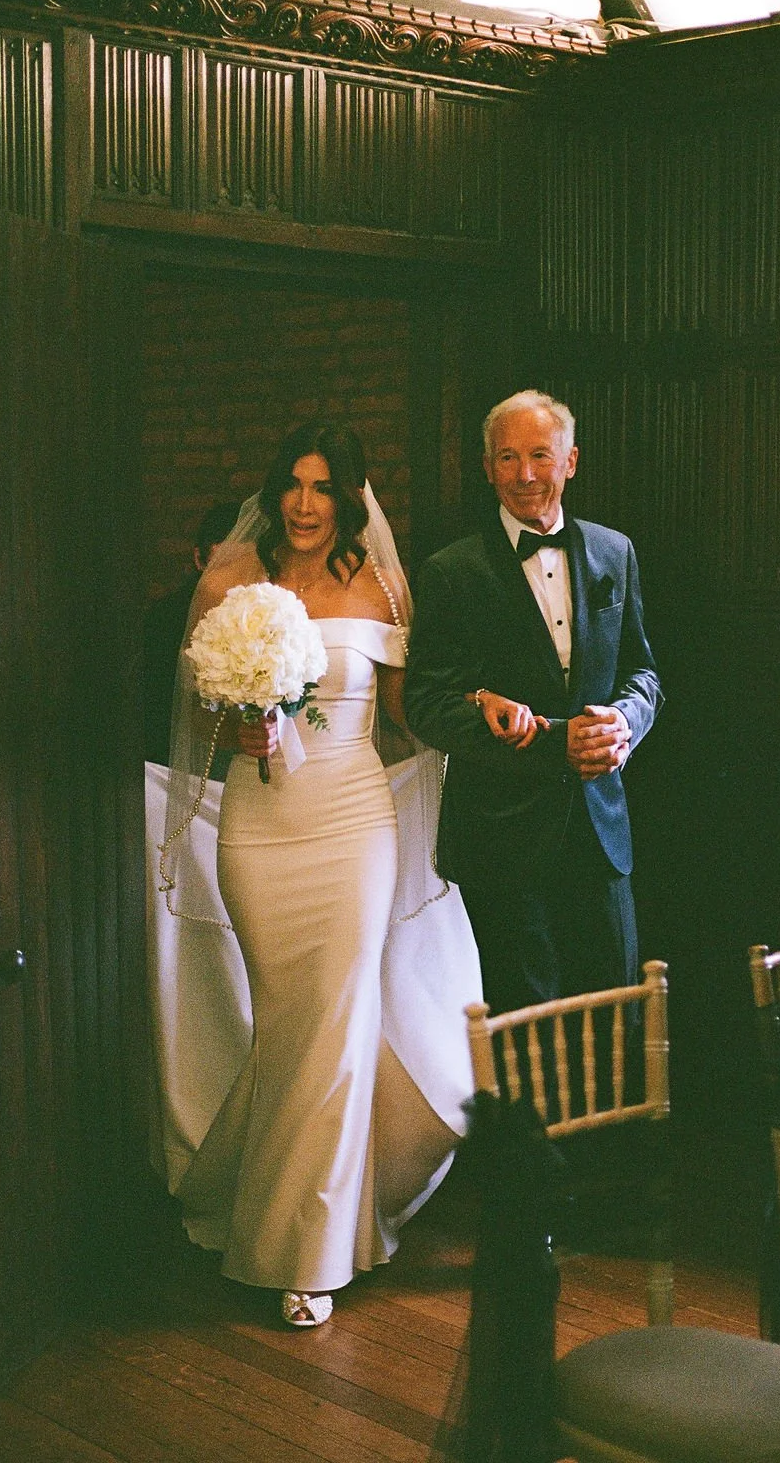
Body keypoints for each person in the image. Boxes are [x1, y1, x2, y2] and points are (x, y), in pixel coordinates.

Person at [152, 422, 482, 1330]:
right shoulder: (230, 580)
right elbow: (194, 715)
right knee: (289, 1024)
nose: (304, 503)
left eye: (323, 486)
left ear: (349, 498)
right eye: (292, 485)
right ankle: (252, 1196)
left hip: (352, 821)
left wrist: (488, 714)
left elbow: (411, 720)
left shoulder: (379, 583)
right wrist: (241, 726)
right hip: (260, 826)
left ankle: (310, 1256)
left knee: (338, 1023)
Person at [404, 388, 662, 1020]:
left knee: (615, 1010)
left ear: (570, 461)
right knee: (526, 1026)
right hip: (502, 835)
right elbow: (426, 700)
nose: (525, 475)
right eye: (508, 458)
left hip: (599, 829)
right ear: (487, 467)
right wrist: (533, 734)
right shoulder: (449, 571)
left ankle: (617, 1126)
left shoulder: (614, 552)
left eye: (541, 455)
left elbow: (642, 672)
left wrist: (624, 720)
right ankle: (526, 1126)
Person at [143, 500, 241, 765]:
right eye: (224, 564)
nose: (234, 580)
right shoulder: (167, 618)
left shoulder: (265, 616)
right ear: (199, 559)